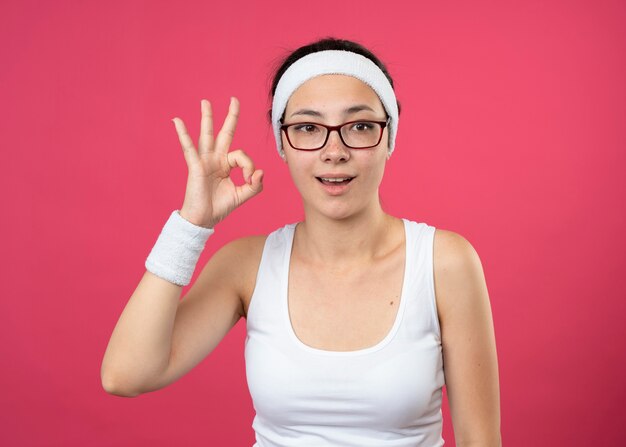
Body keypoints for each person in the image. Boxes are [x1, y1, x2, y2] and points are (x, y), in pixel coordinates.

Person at [101, 37, 502, 447]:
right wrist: (191, 224)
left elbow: (481, 440)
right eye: (308, 128)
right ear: (282, 143)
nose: (334, 151)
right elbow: (126, 374)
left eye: (360, 126)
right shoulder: (246, 264)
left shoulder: (444, 262)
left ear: (389, 137)